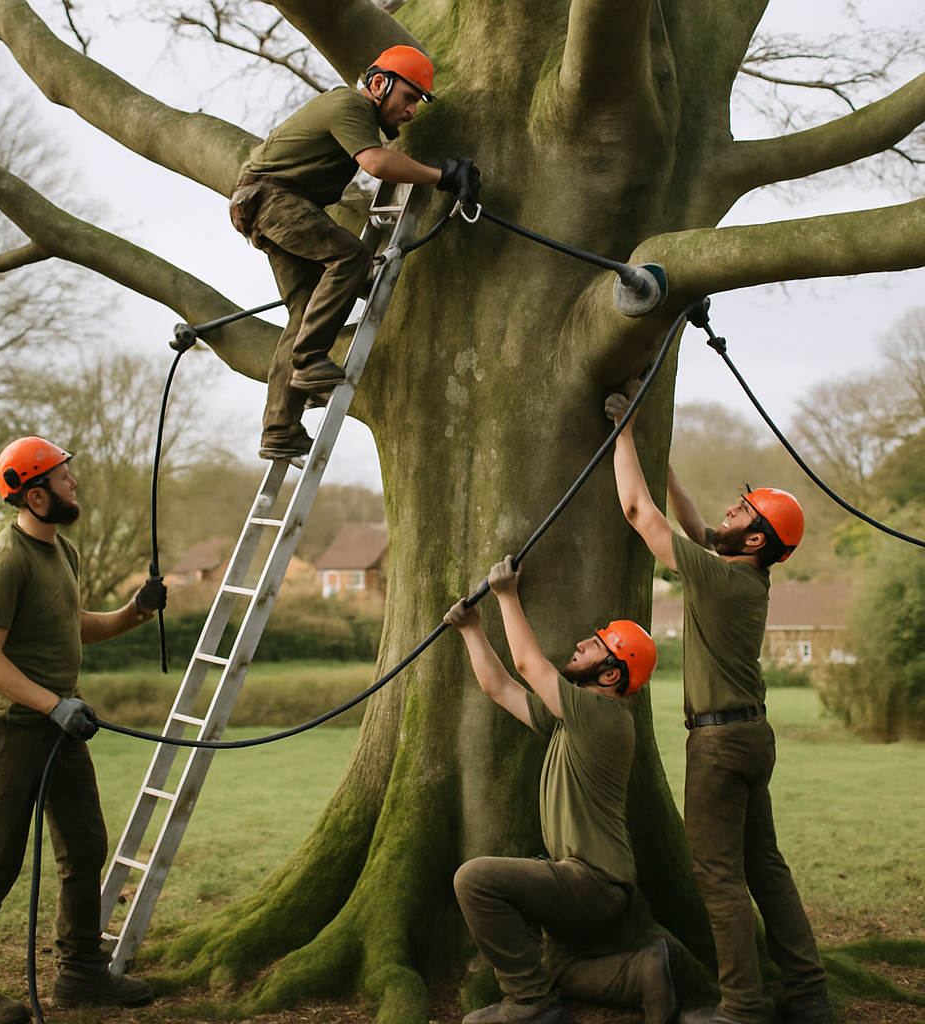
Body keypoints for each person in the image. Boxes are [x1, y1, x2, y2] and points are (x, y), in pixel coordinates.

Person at [606, 384, 834, 1024]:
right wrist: (663, 459)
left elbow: (638, 514)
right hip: (751, 737)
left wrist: (624, 434)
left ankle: (740, 1008)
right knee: (765, 866)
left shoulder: (724, 577)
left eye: (741, 515)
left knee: (718, 875)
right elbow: (695, 525)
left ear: (757, 541)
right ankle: (808, 993)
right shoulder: (742, 573)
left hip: (718, 744)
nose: (727, 518)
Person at [0, 437, 167, 1024]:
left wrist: (135, 612)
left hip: (61, 726)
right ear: (36, 495)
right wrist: (51, 704)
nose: (76, 485)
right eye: (67, 479)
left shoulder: (61, 551)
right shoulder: (5, 559)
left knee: (86, 845)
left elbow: (73, 625)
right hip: (14, 727)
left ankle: (79, 972)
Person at [445, 556, 678, 1024]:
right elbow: (501, 689)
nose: (578, 645)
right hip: (597, 889)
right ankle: (643, 973)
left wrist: (507, 595)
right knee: (560, 970)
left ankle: (531, 1005)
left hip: (590, 881)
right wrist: (471, 629)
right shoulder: (571, 723)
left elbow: (529, 665)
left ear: (611, 675)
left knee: (475, 879)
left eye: (593, 646)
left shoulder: (602, 715)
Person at [229, 44, 480, 460]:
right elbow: (377, 164)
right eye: (409, 97)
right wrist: (444, 176)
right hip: (272, 199)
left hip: (265, 203)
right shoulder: (348, 104)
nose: (412, 110)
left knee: (305, 310)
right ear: (379, 83)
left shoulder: (356, 118)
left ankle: (279, 429)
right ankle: (309, 362)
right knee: (350, 256)